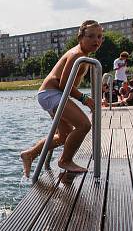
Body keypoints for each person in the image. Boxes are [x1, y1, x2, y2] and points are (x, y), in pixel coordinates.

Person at [20, 20, 103, 176]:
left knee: (64, 135)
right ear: (80, 37)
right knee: (84, 125)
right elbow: (64, 83)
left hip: (50, 95)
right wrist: (85, 99)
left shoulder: (83, 56)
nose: (96, 40)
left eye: (99, 37)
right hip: (52, 94)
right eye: (91, 36)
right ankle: (65, 160)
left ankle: (30, 154)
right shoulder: (77, 55)